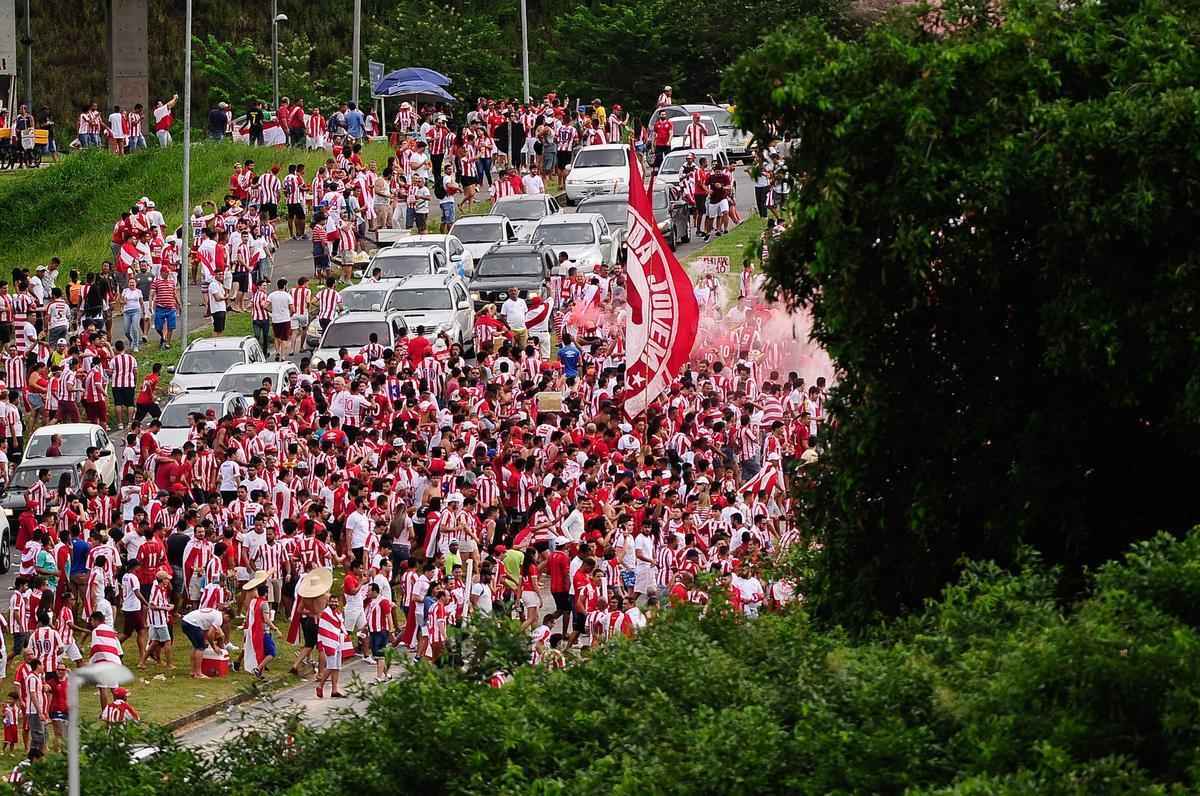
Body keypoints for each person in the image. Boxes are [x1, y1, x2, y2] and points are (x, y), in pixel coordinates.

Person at [180, 605, 225, 679]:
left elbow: (206, 629)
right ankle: (198, 673)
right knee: (200, 647)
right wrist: (214, 647)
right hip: (192, 623)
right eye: (228, 620)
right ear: (227, 615)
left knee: (196, 646)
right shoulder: (219, 618)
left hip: (186, 620)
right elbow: (210, 634)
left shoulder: (215, 613)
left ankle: (193, 671)